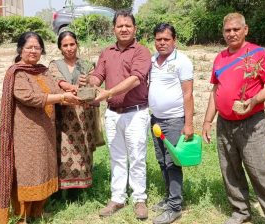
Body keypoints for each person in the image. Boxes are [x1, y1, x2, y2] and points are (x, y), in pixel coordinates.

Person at [202, 12, 265, 224]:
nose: (231, 34)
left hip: (251, 123)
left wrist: (255, 99)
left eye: (235, 29)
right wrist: (207, 121)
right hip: (224, 124)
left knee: (260, 170)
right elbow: (216, 90)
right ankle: (241, 212)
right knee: (230, 170)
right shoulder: (220, 57)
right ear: (223, 33)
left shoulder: (258, 54)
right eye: (227, 30)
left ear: (245, 29)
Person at [0, 32, 80, 224]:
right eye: (29, 47)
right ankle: (23, 216)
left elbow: (55, 89)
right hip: (26, 133)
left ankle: (37, 211)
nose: (34, 51)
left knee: (44, 169)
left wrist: (71, 91)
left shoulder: (42, 70)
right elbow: (29, 97)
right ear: (20, 50)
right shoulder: (17, 73)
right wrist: (62, 98)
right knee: (27, 172)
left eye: (37, 47)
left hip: (46, 131)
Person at [79, 9, 151, 220]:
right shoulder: (107, 52)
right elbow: (98, 76)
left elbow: (136, 79)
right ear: (114, 29)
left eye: (128, 25)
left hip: (136, 113)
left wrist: (108, 92)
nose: (124, 29)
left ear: (135, 28)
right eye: (120, 26)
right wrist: (88, 80)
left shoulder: (141, 51)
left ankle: (139, 199)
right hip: (112, 113)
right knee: (117, 157)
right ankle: (118, 198)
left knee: (137, 157)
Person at [148, 23, 194, 224]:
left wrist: (189, 123)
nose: (162, 43)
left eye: (166, 39)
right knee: (161, 161)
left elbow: (188, 94)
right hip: (155, 120)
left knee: (172, 163)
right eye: (158, 39)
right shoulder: (152, 61)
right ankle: (169, 198)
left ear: (174, 40)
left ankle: (175, 207)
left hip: (174, 121)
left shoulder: (182, 61)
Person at [49, 31, 96, 195]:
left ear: (77, 44)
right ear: (60, 48)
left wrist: (87, 80)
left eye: (72, 44)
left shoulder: (86, 65)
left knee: (83, 146)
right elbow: (57, 80)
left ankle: (80, 187)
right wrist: (73, 87)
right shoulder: (54, 64)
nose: (69, 48)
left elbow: (93, 83)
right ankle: (61, 189)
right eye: (65, 45)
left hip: (83, 115)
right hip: (63, 114)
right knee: (63, 148)